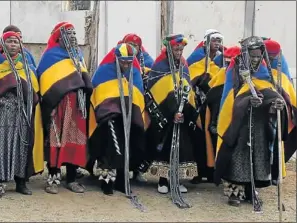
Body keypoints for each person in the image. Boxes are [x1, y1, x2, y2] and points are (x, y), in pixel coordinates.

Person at [214, 36, 293, 209]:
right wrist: (246, 102)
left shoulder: (266, 71)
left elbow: (272, 93)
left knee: (258, 155)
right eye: (253, 56)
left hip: (259, 123)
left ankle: (251, 190)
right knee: (238, 156)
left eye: (258, 56)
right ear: (246, 54)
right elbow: (229, 97)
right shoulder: (235, 70)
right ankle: (234, 192)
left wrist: (277, 104)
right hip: (239, 124)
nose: (256, 59)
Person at [0, 30, 44, 198]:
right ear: (3, 44)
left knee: (22, 145)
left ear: (21, 45)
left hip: (22, 114)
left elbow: (34, 88)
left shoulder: (26, 65)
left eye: (16, 41)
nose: (13, 44)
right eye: (10, 41)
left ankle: (21, 181)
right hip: (0, 113)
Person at [145, 34, 200, 208]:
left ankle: (177, 180)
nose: (179, 52)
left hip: (182, 117)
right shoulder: (159, 66)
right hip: (165, 119)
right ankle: (163, 180)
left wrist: (184, 111)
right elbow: (156, 92)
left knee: (182, 147)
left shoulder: (184, 65)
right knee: (166, 146)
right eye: (176, 49)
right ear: (169, 49)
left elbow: (187, 89)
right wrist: (171, 113)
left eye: (181, 49)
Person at [37, 22, 92, 194]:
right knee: (56, 140)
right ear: (59, 37)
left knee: (75, 141)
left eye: (74, 34)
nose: (73, 37)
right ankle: (53, 178)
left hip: (77, 106)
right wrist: (50, 106)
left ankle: (72, 178)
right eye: (69, 34)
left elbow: (83, 78)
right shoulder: (50, 56)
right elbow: (45, 83)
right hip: (58, 106)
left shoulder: (78, 55)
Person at [88, 43, 145, 195]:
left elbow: (138, 92)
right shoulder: (105, 71)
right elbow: (98, 92)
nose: (126, 65)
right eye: (123, 61)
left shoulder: (134, 72)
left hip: (128, 117)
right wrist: (109, 109)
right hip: (109, 117)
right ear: (117, 58)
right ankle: (106, 182)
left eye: (129, 61)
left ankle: (121, 181)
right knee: (110, 149)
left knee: (127, 147)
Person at [199, 45, 242, 185]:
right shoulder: (223, 72)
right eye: (227, 62)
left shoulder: (245, 75)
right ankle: (215, 174)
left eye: (232, 62)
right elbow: (212, 94)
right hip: (218, 118)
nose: (229, 65)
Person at [186, 29, 223, 184]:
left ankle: (213, 172)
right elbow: (188, 79)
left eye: (219, 41)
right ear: (206, 42)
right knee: (199, 139)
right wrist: (199, 80)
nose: (217, 44)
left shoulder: (222, 60)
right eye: (214, 40)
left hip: (213, 106)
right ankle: (199, 172)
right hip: (198, 104)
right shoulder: (196, 58)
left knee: (214, 137)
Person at [264, 39, 297, 163]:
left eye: (274, 57)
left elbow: (288, 89)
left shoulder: (282, 71)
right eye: (269, 57)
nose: (271, 60)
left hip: (281, 109)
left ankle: (279, 162)